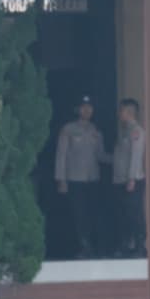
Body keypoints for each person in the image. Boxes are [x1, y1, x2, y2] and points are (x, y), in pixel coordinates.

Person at [54, 95, 109, 258]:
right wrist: (61, 179)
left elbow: (101, 156)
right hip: (74, 179)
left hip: (92, 178)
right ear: (77, 109)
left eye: (90, 107)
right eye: (84, 107)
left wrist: (120, 158)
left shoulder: (96, 130)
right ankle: (84, 246)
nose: (87, 110)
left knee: (95, 213)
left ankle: (99, 247)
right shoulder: (68, 129)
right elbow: (61, 155)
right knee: (79, 214)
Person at [112, 98, 147, 257]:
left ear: (129, 112)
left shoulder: (136, 131)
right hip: (120, 180)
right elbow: (120, 157)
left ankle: (140, 246)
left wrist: (132, 178)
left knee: (135, 213)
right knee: (123, 214)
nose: (119, 114)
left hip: (132, 180)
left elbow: (136, 156)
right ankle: (126, 245)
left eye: (121, 110)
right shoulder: (124, 131)